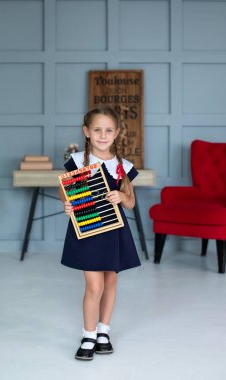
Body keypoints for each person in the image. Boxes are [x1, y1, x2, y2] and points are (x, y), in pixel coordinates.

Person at [59, 106, 141, 361]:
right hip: (90, 228)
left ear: (116, 133)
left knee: (111, 282)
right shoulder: (77, 162)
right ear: (87, 132)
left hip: (115, 230)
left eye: (108, 130)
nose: (102, 135)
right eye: (97, 130)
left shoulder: (123, 166)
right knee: (94, 286)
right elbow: (65, 191)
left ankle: (104, 331)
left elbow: (131, 203)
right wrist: (68, 203)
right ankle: (89, 334)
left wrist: (121, 196)